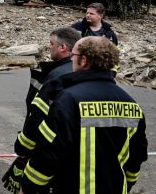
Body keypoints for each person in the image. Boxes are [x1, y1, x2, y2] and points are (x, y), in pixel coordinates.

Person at [20, 37, 148, 193]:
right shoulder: (131, 104)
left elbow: (48, 152)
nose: (72, 60)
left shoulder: (68, 99)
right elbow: (137, 154)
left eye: (73, 56)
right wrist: (128, 183)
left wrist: (28, 186)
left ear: (84, 60)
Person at [2, 27, 80, 193]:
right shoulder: (80, 73)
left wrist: (22, 154)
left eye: (51, 43)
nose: (49, 47)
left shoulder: (56, 77)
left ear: (63, 47)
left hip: (49, 152)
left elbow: (37, 118)